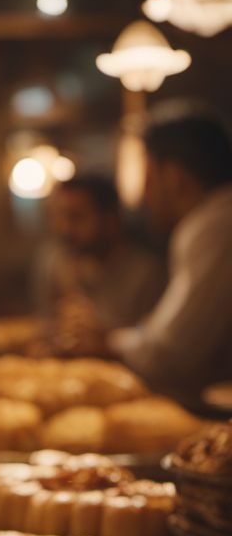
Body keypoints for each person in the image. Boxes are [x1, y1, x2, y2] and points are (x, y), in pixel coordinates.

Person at [59, 102, 232, 396]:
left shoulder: (213, 225)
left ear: (175, 177)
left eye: (148, 177)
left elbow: (171, 351)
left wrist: (109, 341)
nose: (143, 194)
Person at [31, 174, 165, 329]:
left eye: (76, 217)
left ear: (110, 219)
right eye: (58, 216)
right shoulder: (54, 262)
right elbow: (44, 326)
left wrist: (105, 333)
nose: (64, 229)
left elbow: (151, 341)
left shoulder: (146, 274)